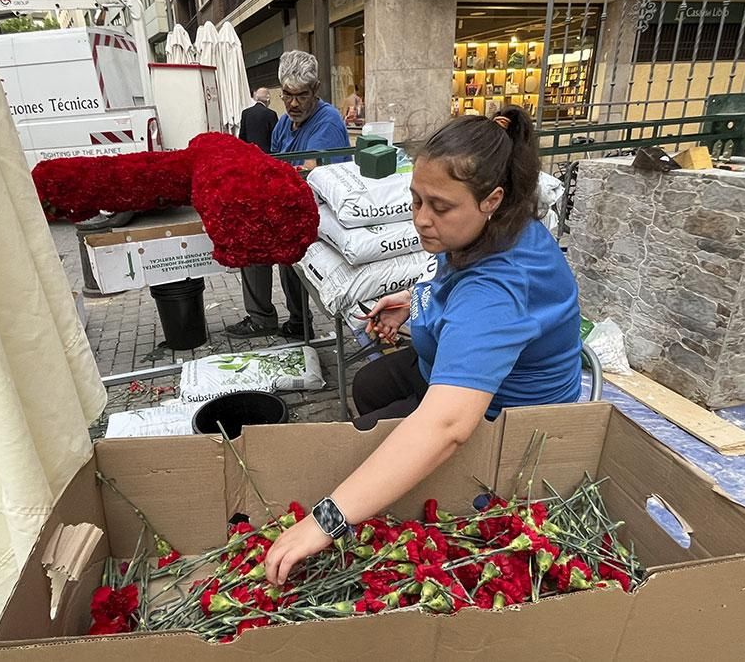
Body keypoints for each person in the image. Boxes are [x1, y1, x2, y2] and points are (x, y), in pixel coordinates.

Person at [262, 107, 583, 585]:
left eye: (439, 206)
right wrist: (415, 301)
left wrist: (326, 519)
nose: (421, 220)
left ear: (491, 200)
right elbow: (453, 283)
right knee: (371, 383)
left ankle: (412, 507)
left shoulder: (498, 291)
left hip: (503, 416)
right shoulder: (491, 229)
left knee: (364, 447)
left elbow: (447, 424)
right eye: (415, 201)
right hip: (454, 369)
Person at [225, 50, 351, 341]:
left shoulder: (327, 121)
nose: (293, 104)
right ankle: (277, 319)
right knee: (249, 237)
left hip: (320, 212)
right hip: (289, 206)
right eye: (287, 95)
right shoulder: (284, 122)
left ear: (316, 90)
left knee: (277, 247)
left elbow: (309, 171)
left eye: (301, 96)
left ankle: (292, 320)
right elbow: (273, 163)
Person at [239, 87, 278, 154]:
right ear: (268, 99)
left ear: (256, 99)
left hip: (250, 153)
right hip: (267, 154)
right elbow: (275, 136)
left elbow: (242, 136)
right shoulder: (271, 114)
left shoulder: (245, 113)